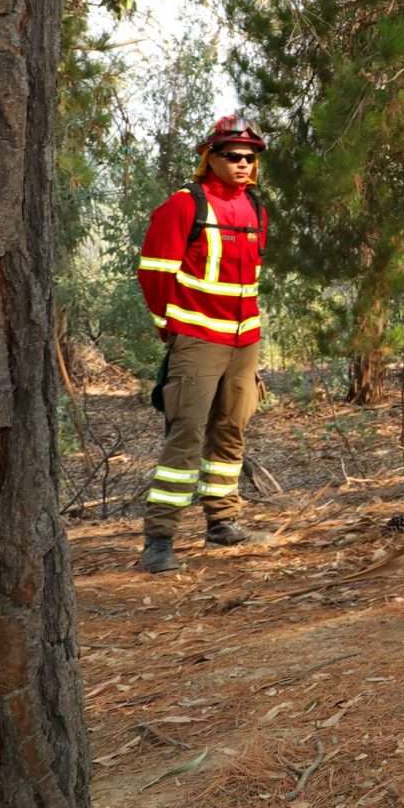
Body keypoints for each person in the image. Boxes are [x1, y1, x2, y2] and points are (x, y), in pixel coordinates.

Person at [134, 114, 272, 573]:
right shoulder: (183, 205)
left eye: (249, 158)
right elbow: (154, 274)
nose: (242, 164)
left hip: (243, 342)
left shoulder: (255, 207)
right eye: (232, 156)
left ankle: (222, 523)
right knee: (186, 435)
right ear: (209, 157)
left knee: (231, 431)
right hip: (197, 340)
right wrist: (169, 328)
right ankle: (159, 541)